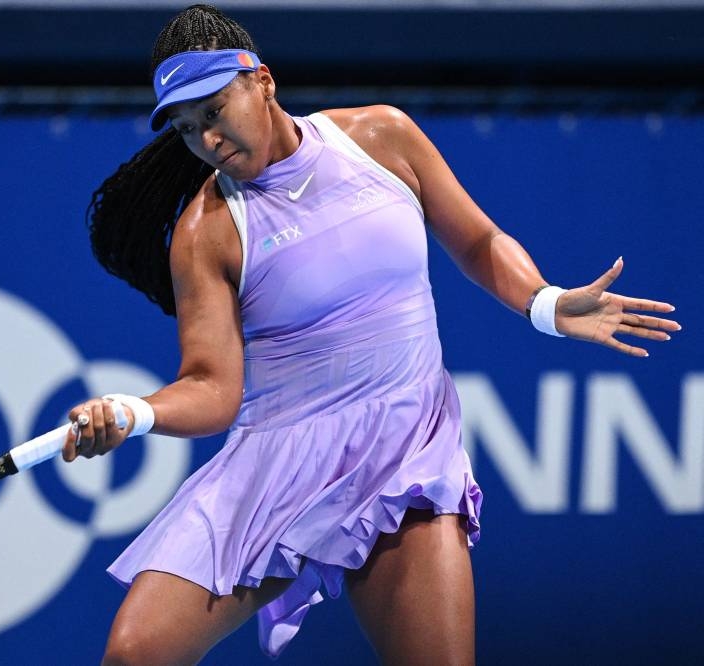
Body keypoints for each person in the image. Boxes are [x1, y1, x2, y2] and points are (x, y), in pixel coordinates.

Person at [61, 5, 681, 665]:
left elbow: (478, 240)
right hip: (276, 465)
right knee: (134, 654)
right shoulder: (204, 233)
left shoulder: (382, 136)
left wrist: (544, 302)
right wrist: (133, 412)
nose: (207, 139)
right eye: (187, 128)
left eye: (213, 111)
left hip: (403, 450)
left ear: (263, 81)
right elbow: (213, 388)